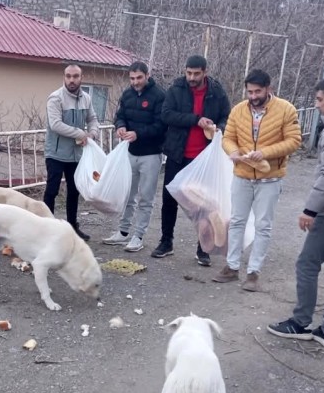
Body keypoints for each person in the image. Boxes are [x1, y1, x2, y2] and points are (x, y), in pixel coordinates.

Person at [211, 68, 302, 291]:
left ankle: (253, 272)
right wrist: (232, 151)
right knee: (237, 221)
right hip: (242, 175)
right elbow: (228, 137)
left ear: (268, 89)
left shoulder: (286, 109)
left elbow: (294, 141)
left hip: (270, 178)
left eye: (257, 91)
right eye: (250, 92)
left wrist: (265, 153)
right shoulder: (238, 110)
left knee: (263, 225)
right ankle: (232, 267)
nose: (253, 96)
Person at [268, 75, 324, 349]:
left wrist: (310, 209)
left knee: (307, 264)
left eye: (320, 99)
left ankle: (300, 322)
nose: (317, 105)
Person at [151, 54, 232, 263]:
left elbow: (227, 116)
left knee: (204, 204)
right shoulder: (176, 88)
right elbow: (166, 114)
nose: (192, 77)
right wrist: (196, 120)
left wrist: (219, 128)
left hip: (204, 158)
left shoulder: (217, 92)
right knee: (170, 199)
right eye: (189, 73)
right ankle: (166, 241)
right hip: (177, 154)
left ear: (205, 72)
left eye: (196, 73)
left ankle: (203, 248)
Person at [103, 61, 167, 253]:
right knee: (127, 194)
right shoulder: (127, 94)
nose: (135, 82)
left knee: (146, 197)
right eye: (132, 78)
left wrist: (138, 133)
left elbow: (161, 125)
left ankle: (138, 235)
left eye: (139, 78)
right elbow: (120, 115)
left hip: (151, 154)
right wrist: (120, 126)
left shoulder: (159, 95)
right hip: (130, 152)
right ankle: (123, 232)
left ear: (147, 76)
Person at [43, 63, 101, 241]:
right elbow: (56, 124)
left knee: (74, 191)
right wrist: (81, 133)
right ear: (64, 77)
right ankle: (46, 229)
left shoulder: (86, 98)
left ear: (81, 78)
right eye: (68, 76)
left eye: (75, 76)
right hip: (55, 153)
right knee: (52, 191)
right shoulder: (55, 98)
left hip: (76, 154)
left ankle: (72, 228)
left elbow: (92, 119)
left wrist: (92, 133)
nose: (71, 80)